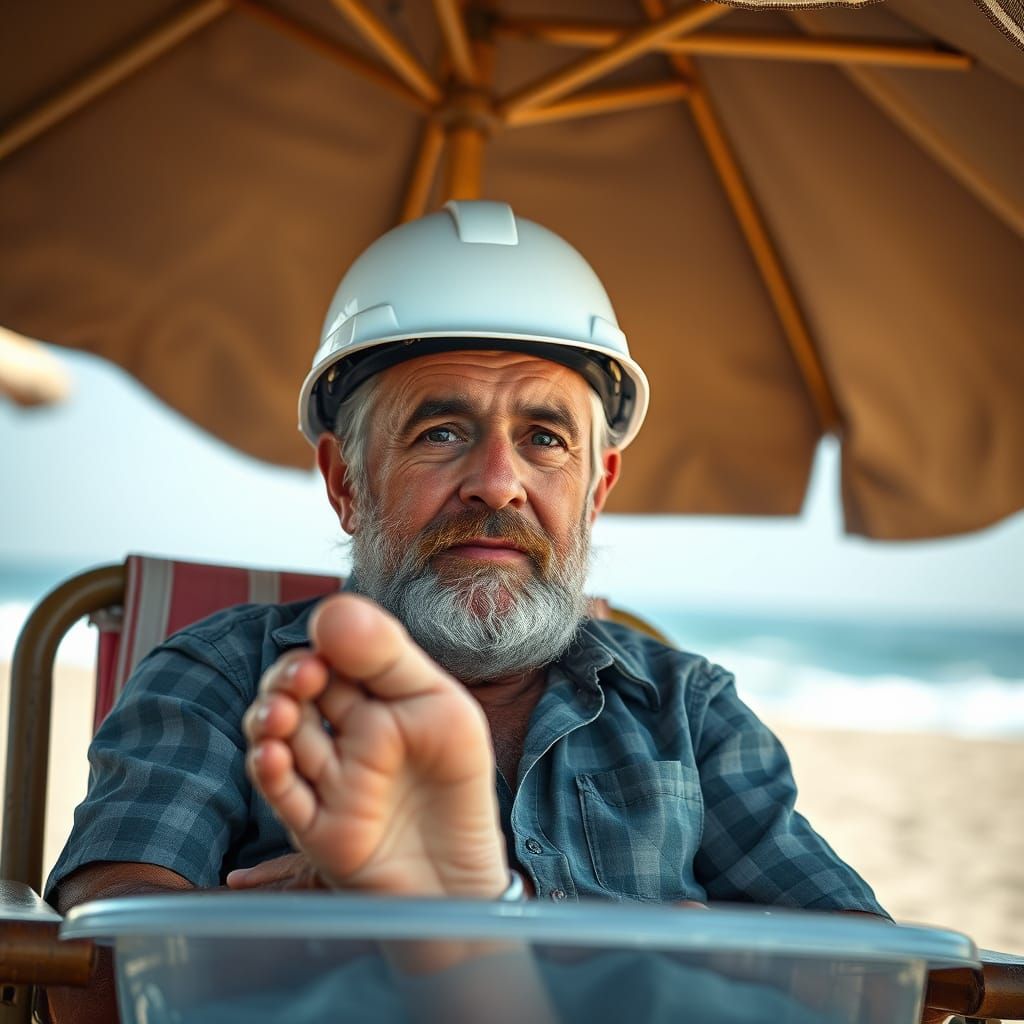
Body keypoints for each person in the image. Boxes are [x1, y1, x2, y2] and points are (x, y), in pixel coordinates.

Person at [44, 201, 886, 1022]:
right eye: (441, 431)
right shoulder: (223, 675)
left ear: (596, 491)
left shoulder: (687, 704)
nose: (497, 480)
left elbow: (870, 976)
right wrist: (311, 921)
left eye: (545, 439)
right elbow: (92, 968)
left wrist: (414, 910)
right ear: (346, 482)